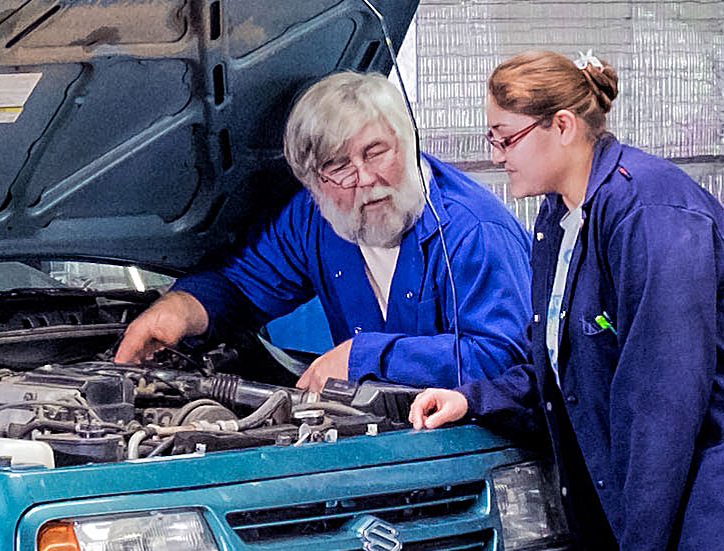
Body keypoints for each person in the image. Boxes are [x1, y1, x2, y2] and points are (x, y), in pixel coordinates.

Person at [408, 50, 724, 551]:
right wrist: (473, 399)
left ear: (562, 126)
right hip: (674, 503)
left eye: (504, 137)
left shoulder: (651, 212)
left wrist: (640, 549)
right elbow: (569, 367)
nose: (495, 156)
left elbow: (663, 390)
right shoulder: (561, 218)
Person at [114, 71, 532, 394]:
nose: (365, 177)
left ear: (407, 142)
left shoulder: (473, 230)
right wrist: (184, 307)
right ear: (312, 183)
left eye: (376, 151)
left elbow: (510, 359)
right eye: (338, 166)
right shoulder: (313, 218)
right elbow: (242, 287)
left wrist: (365, 356)